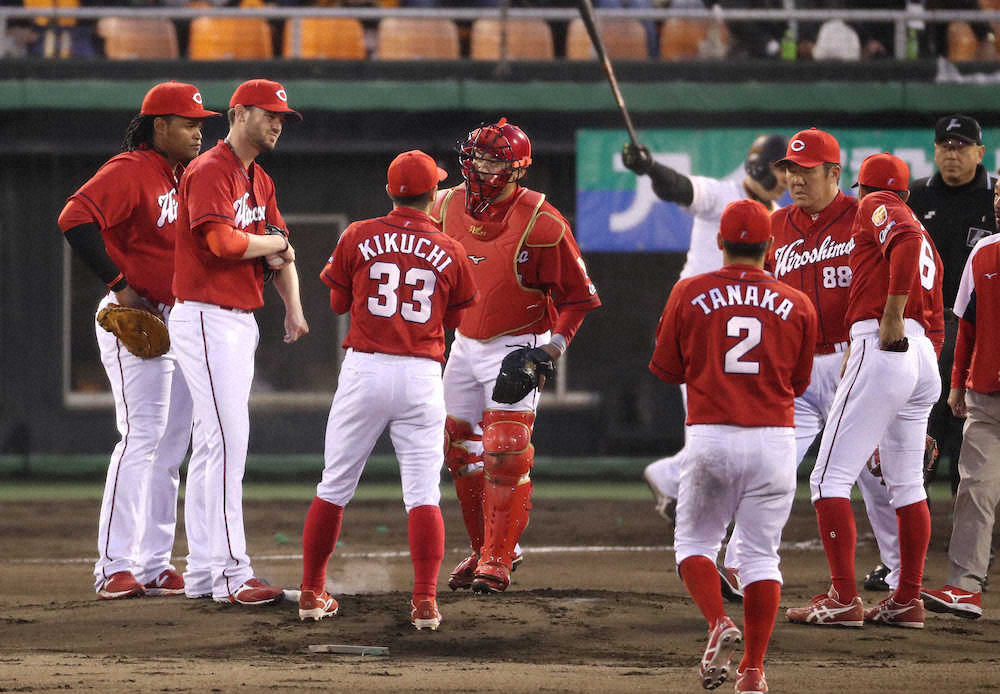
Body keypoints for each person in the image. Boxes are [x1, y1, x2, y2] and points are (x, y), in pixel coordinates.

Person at [298, 150, 479, 629]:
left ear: (389, 191)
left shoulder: (358, 234)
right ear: (433, 194)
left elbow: (337, 302)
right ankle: (424, 602)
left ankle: (312, 592)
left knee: (334, 486)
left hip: (366, 368)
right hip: (421, 374)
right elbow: (455, 317)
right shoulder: (451, 247)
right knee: (422, 495)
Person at [724, 128, 905, 601]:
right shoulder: (775, 225)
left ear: (834, 173)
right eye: (790, 170)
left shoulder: (864, 215)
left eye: (806, 171)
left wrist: (871, 338)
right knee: (773, 467)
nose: (796, 179)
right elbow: (756, 293)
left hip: (855, 361)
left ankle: (900, 572)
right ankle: (742, 563)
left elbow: (900, 273)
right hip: (798, 372)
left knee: (876, 476)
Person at [56, 81, 218, 600]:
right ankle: (113, 566)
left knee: (171, 447)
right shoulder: (130, 169)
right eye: (188, 124)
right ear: (159, 126)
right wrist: (119, 284)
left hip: (182, 318)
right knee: (142, 437)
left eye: (200, 124)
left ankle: (152, 563)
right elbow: (74, 219)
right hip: (138, 315)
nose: (198, 133)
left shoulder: (187, 175)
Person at [650, 199, 817, 693]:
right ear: (771, 246)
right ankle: (753, 671)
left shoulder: (688, 291)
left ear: (720, 242)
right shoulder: (798, 303)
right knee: (762, 557)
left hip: (712, 436)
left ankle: (718, 620)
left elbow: (665, 369)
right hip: (775, 441)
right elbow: (799, 383)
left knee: (694, 545)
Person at [434, 117, 602, 594]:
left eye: (494, 160)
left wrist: (550, 349)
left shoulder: (544, 223)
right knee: (456, 446)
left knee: (506, 449)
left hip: (518, 341)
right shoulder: (442, 206)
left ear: (518, 170)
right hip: (464, 342)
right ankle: (484, 547)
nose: (481, 166)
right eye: (477, 156)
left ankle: (498, 558)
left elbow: (579, 298)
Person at [787, 153, 944, 630]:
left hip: (884, 342)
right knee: (907, 484)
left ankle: (843, 598)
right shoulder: (926, 235)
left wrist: (890, 317)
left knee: (826, 480)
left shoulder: (878, 205)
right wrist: (915, 373)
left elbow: (902, 237)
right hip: (921, 354)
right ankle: (908, 598)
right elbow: (935, 318)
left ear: (862, 189)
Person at [169, 79, 308, 606]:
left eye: (282, 117)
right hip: (206, 315)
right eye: (269, 114)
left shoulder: (259, 179)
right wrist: (274, 242)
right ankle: (232, 573)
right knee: (227, 443)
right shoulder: (211, 170)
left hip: (235, 320)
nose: (277, 123)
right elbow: (224, 243)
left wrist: (293, 307)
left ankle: (204, 573)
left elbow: (283, 254)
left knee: (213, 446)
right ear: (238, 113)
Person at [622, 133, 789, 527]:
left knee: (730, 425)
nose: (787, 177)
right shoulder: (723, 194)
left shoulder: (780, 214)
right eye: (782, 167)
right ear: (760, 166)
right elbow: (680, 188)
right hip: (697, 325)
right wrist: (651, 168)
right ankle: (695, 506)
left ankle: (672, 478)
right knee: (711, 425)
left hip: (737, 335)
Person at [921, 184, 1000, 620]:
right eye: (998, 195)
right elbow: (965, 327)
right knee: (974, 491)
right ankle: (965, 587)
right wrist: (956, 386)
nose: (999, 203)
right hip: (985, 398)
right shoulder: (983, 253)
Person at [908, 115, 996, 495]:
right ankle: (915, 518)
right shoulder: (917, 195)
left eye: (961, 146)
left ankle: (968, 523)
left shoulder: (994, 197)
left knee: (970, 436)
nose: (952, 154)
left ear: (980, 152)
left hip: (980, 330)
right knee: (922, 427)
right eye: (945, 146)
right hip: (926, 325)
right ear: (934, 151)